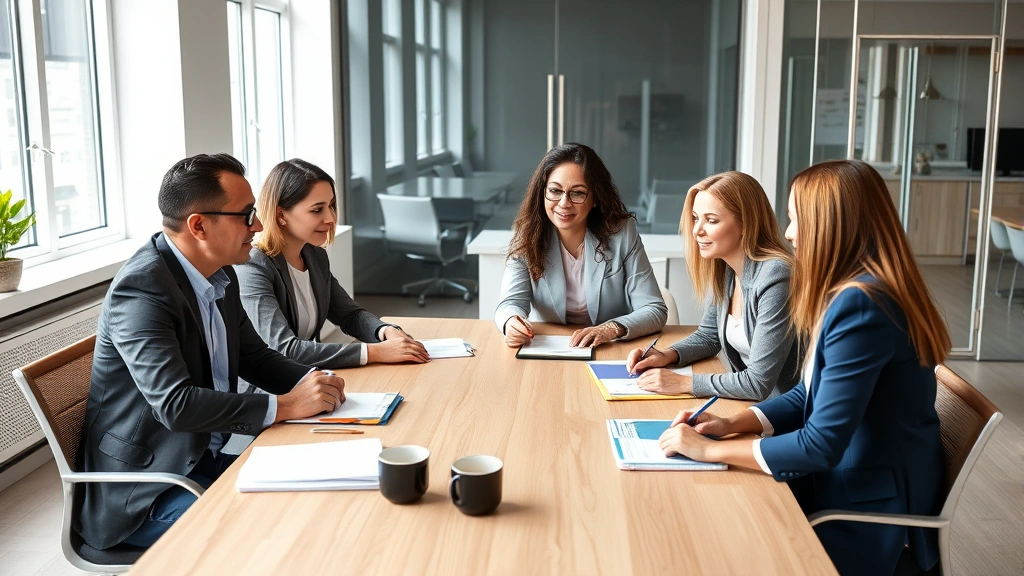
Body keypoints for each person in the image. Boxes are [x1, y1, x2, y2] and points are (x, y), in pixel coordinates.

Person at [658, 160, 948, 576]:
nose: (789, 232)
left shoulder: (863, 304)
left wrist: (710, 450)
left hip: (865, 510)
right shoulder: (856, 291)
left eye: (797, 219)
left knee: (715, 540)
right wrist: (735, 424)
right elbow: (809, 392)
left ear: (835, 225)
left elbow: (820, 444)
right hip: (847, 481)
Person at [78, 154, 346, 550]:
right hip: (147, 492)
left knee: (321, 495)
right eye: (246, 214)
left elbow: (255, 358)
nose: (257, 225)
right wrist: (286, 406)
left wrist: (315, 384)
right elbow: (176, 405)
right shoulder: (142, 291)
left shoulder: (219, 275)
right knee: (283, 533)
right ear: (198, 225)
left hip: (203, 461)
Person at [236, 159, 428, 369]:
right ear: (281, 214)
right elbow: (283, 349)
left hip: (308, 379)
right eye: (317, 210)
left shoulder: (314, 255)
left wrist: (385, 330)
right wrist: (374, 352)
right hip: (269, 393)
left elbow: (349, 315)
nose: (331, 218)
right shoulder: (253, 267)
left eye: (331, 206)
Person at [624, 172, 798, 400]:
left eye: (712, 220)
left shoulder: (776, 276)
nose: (697, 230)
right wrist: (667, 355)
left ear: (746, 224)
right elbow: (709, 336)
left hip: (786, 415)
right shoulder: (727, 268)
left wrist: (683, 383)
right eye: (696, 218)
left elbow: (757, 383)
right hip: (752, 406)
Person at [495, 143, 667, 348]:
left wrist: (609, 329)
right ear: (542, 193)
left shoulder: (622, 233)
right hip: (552, 348)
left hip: (610, 347)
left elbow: (654, 309)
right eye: (555, 190)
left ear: (595, 198)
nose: (563, 203)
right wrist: (511, 322)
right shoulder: (527, 236)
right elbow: (509, 303)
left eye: (577, 193)